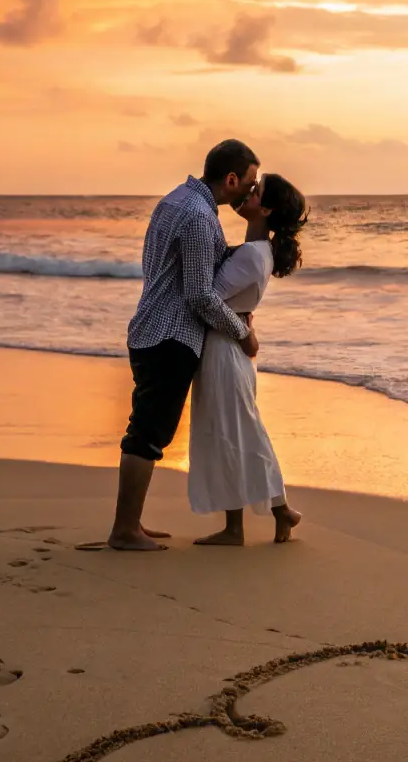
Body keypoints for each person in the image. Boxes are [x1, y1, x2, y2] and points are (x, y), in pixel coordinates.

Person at [107, 140, 260, 551]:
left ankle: (131, 523)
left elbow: (186, 268)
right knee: (149, 434)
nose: (250, 189)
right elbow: (197, 294)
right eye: (249, 182)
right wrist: (241, 332)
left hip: (151, 329)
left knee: (148, 429)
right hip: (169, 335)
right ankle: (124, 530)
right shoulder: (196, 216)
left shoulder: (176, 201)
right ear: (231, 179)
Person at [189, 173, 307, 546]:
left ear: (266, 209)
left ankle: (240, 526)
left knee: (230, 432)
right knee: (236, 430)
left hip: (225, 349)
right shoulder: (256, 251)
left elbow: (208, 298)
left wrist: (242, 328)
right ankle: (274, 512)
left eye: (255, 192)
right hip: (230, 347)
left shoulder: (253, 254)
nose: (246, 194)